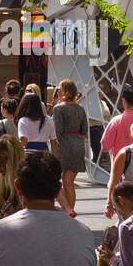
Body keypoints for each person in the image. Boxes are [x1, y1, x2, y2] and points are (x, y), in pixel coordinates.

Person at [52, 79, 88, 217]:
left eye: (59, 89)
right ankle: (69, 211)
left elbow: (57, 132)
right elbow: (84, 130)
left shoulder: (59, 108)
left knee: (57, 180)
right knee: (69, 183)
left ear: (64, 91)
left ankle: (67, 210)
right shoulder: (80, 109)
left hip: (64, 145)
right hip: (78, 145)